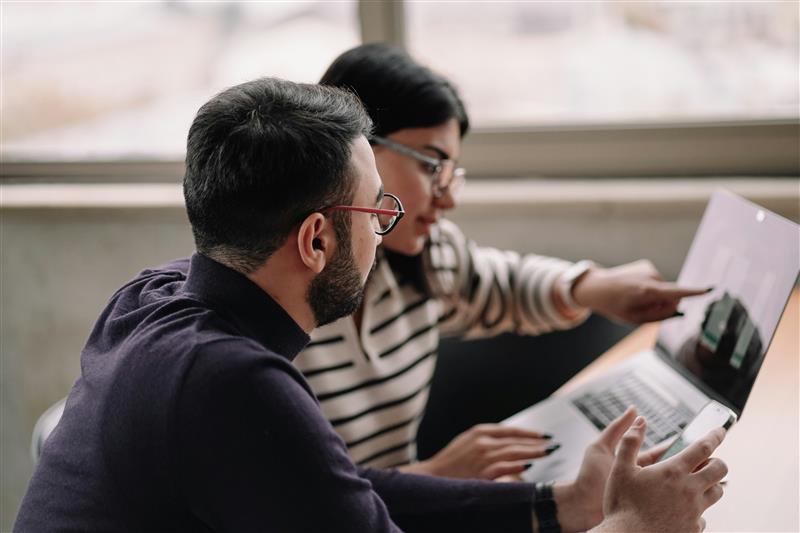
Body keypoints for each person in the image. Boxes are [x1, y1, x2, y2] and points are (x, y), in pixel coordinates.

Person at [15, 77, 726, 532]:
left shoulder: (153, 295)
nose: (385, 232)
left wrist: (559, 504)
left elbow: (331, 488)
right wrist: (636, 523)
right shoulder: (234, 385)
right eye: (375, 210)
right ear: (318, 239)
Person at [293, 42, 711, 479]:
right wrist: (437, 475)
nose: (448, 197)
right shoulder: (282, 305)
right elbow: (294, 499)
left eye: (452, 173)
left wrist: (590, 287)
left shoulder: (425, 258)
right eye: (432, 166)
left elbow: (501, 283)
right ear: (357, 151)